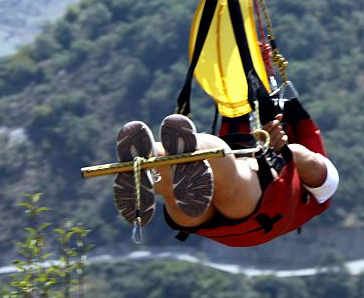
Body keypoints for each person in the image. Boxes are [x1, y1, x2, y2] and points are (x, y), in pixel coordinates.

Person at [112, 104, 338, 247]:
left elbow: (313, 166)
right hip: (215, 221)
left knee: (222, 161)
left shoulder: (310, 184)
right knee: (192, 184)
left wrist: (286, 152)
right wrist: (282, 152)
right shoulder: (310, 196)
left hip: (253, 209)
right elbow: (315, 170)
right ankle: (163, 160)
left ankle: (154, 155)